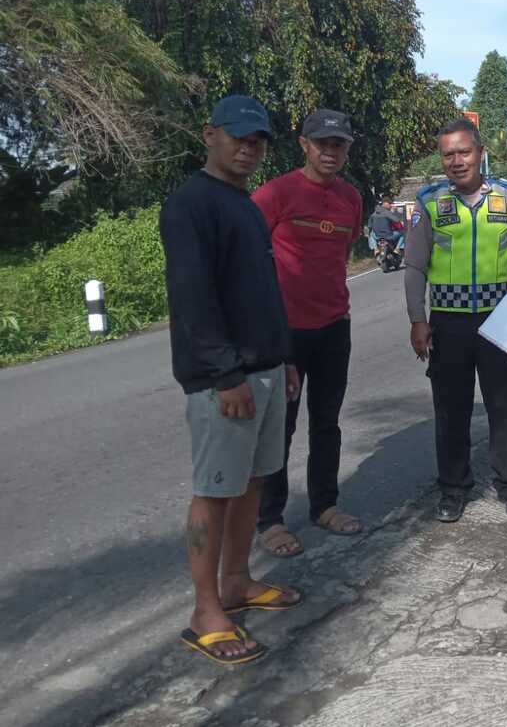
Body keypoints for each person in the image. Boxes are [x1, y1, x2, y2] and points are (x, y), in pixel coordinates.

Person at [159, 95, 302, 665]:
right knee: (214, 491)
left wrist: (284, 358)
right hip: (225, 380)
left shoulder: (243, 205)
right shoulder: (190, 205)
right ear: (209, 135)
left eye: (259, 140)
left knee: (252, 483)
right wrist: (227, 375)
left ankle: (238, 583)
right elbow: (194, 301)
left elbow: (261, 294)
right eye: (239, 137)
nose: (250, 147)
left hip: (265, 370)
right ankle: (205, 611)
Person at [405, 117, 507, 522]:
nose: (456, 160)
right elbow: (414, 266)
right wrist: (418, 318)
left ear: (480, 154)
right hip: (447, 322)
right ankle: (453, 488)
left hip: (500, 315)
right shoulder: (429, 202)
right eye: (447, 154)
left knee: (505, 406)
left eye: (463, 151)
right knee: (451, 409)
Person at [251, 109, 364, 557]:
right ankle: (270, 519)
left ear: (346, 149)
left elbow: (342, 250)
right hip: (285, 334)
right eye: (322, 144)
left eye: (338, 145)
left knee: (327, 422)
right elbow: (248, 255)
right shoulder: (274, 194)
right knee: (280, 427)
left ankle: (325, 505)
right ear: (304, 144)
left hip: (335, 327)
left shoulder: (350, 199)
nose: (330, 152)